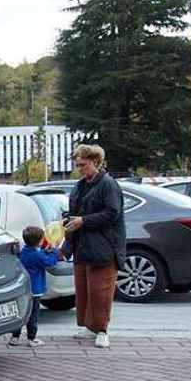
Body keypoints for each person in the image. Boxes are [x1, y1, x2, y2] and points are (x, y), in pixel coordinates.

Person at [65, 144, 125, 349]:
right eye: (77, 165)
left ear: (96, 162)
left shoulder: (108, 184)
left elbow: (112, 213)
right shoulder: (80, 185)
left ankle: (102, 330)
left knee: (101, 291)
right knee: (82, 289)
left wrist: (84, 221)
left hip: (104, 246)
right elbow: (73, 213)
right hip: (81, 245)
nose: (80, 168)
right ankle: (86, 325)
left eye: (83, 164)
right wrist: (66, 237)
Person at [8, 226, 59, 348]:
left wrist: (44, 251)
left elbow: (36, 255)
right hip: (35, 290)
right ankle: (32, 338)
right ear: (40, 241)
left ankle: (15, 337)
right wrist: (55, 251)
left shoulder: (23, 252)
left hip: (23, 289)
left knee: (21, 313)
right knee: (33, 315)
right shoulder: (38, 256)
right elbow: (49, 262)